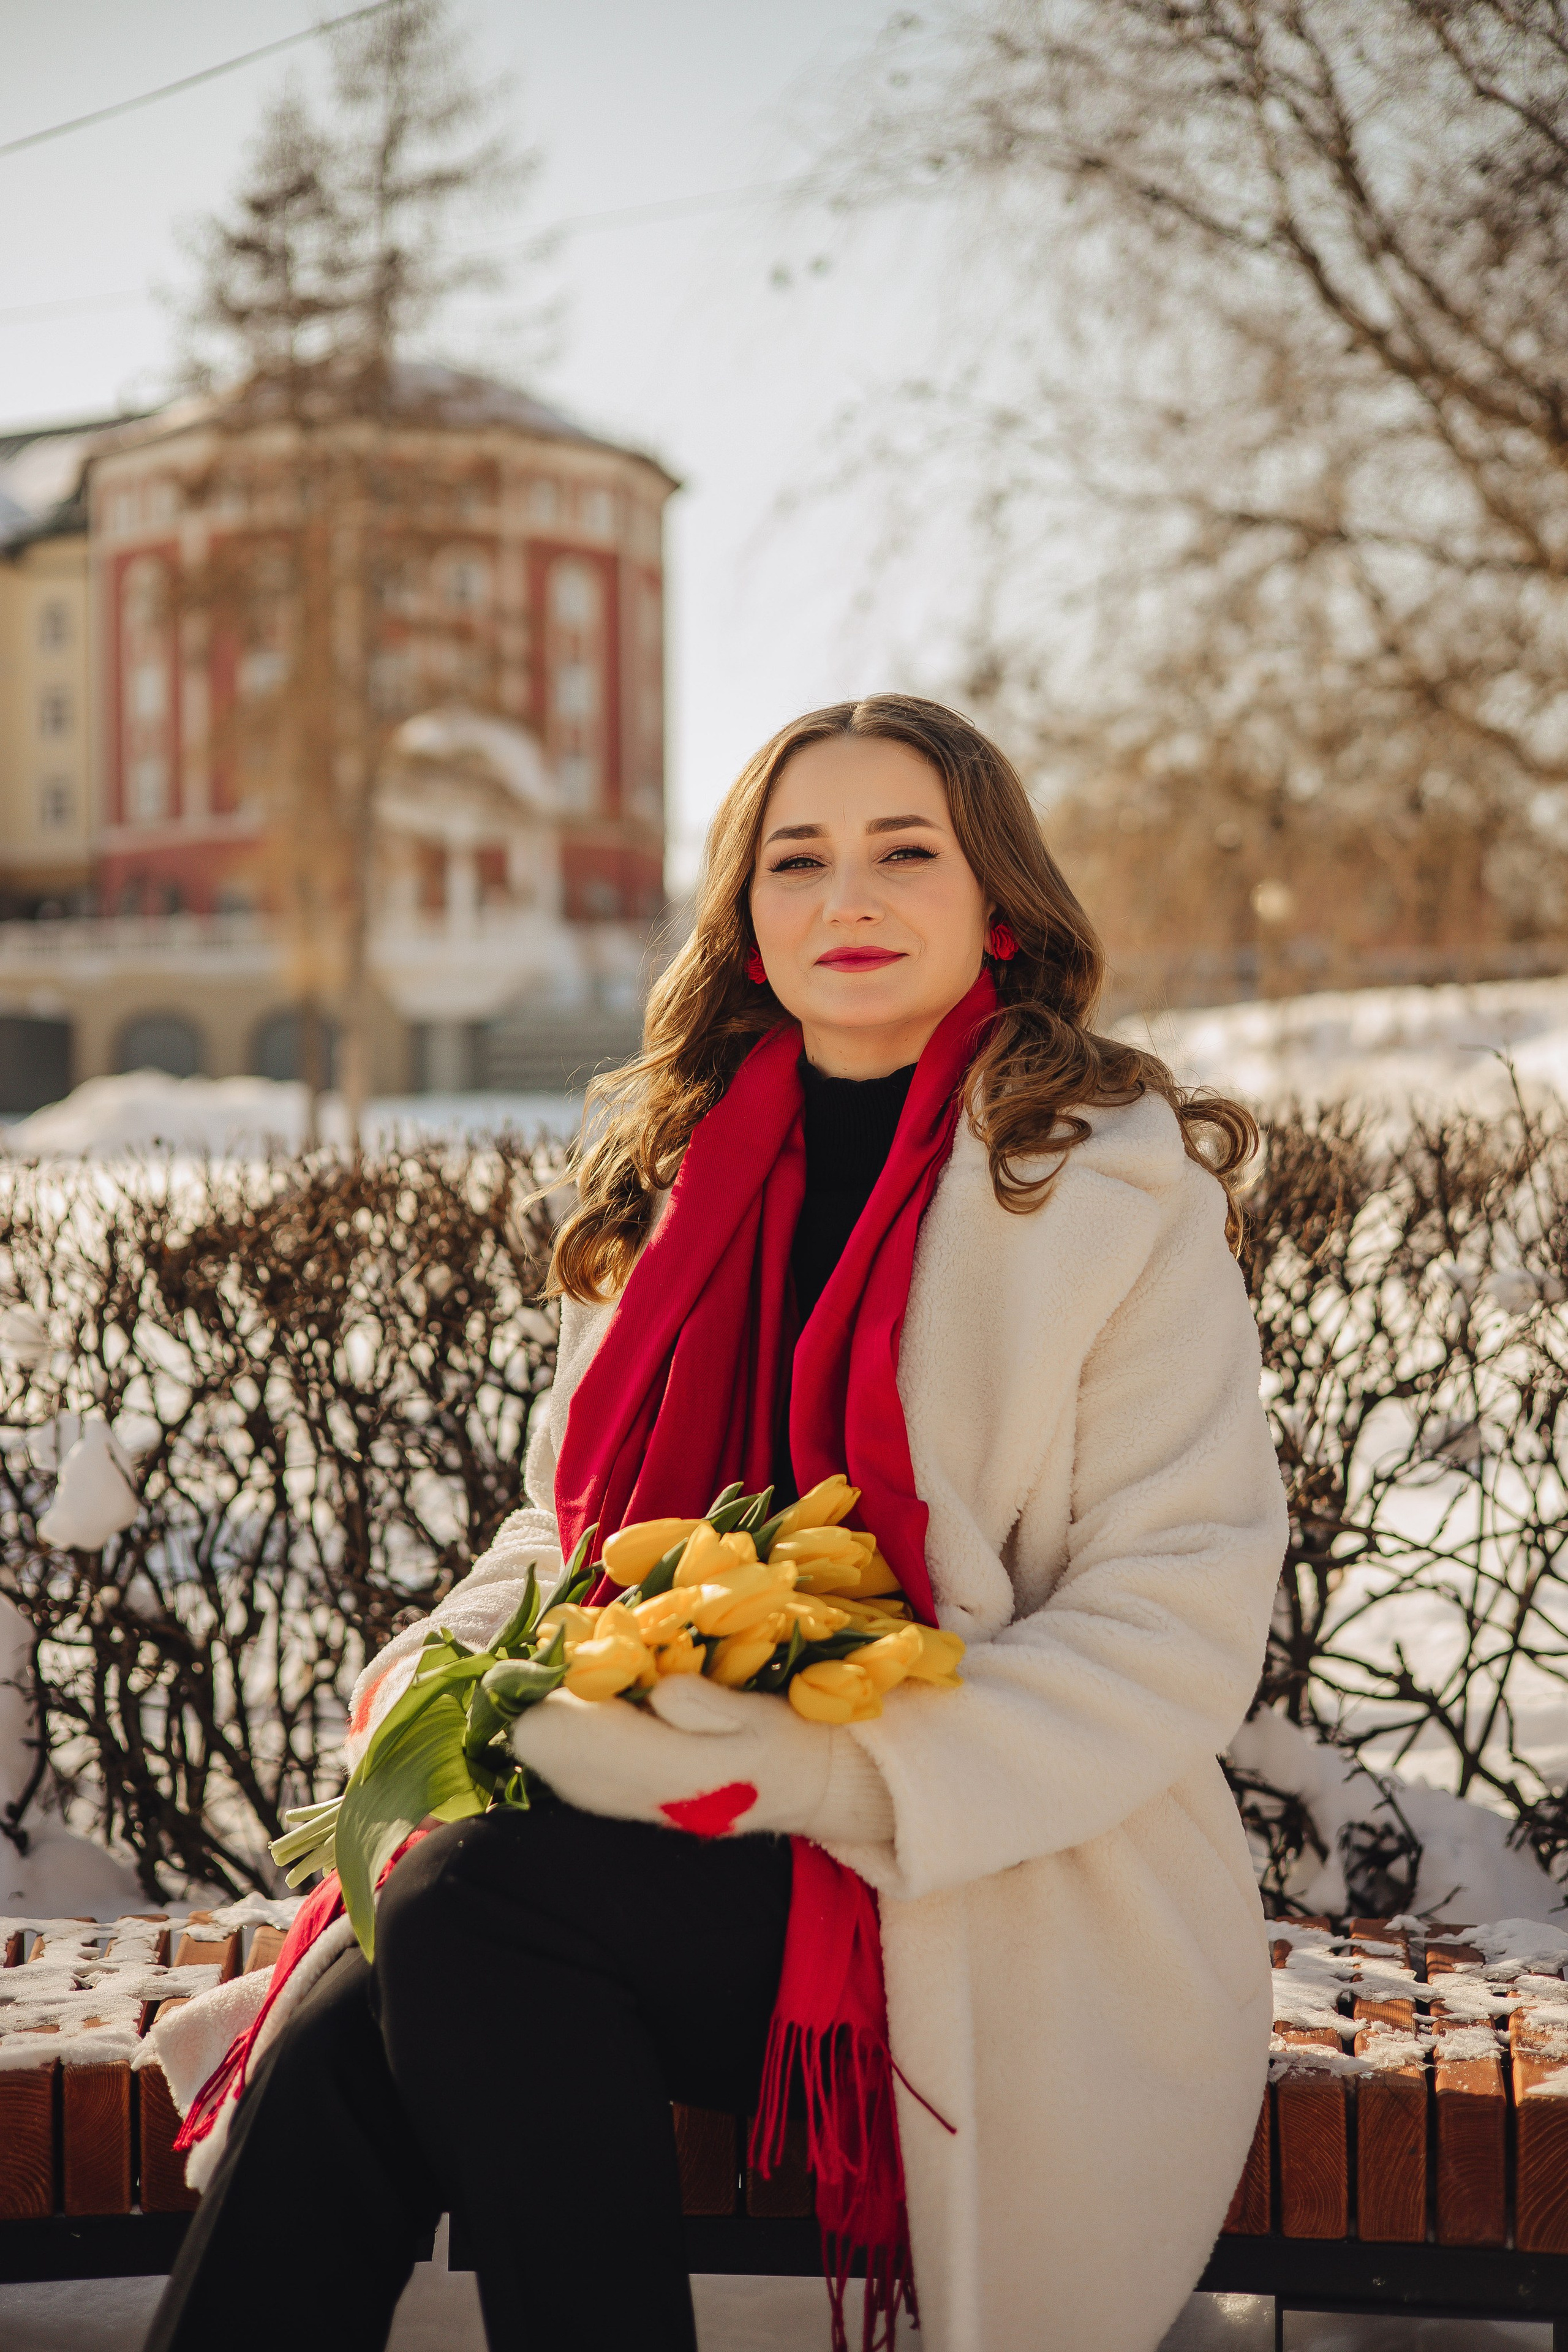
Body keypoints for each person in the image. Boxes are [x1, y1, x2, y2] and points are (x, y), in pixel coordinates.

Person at [145, 695, 1286, 2352]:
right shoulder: (683, 1184)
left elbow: (1173, 1633)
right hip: (650, 1860)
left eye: (907, 853)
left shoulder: (1104, 1201)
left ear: (1002, 905)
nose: (848, 900)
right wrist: (453, 1669)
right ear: (746, 922)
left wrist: (825, 1772)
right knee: (371, 1995)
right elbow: (571, 1532)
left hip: (984, 1887)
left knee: (466, 1914)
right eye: (797, 859)